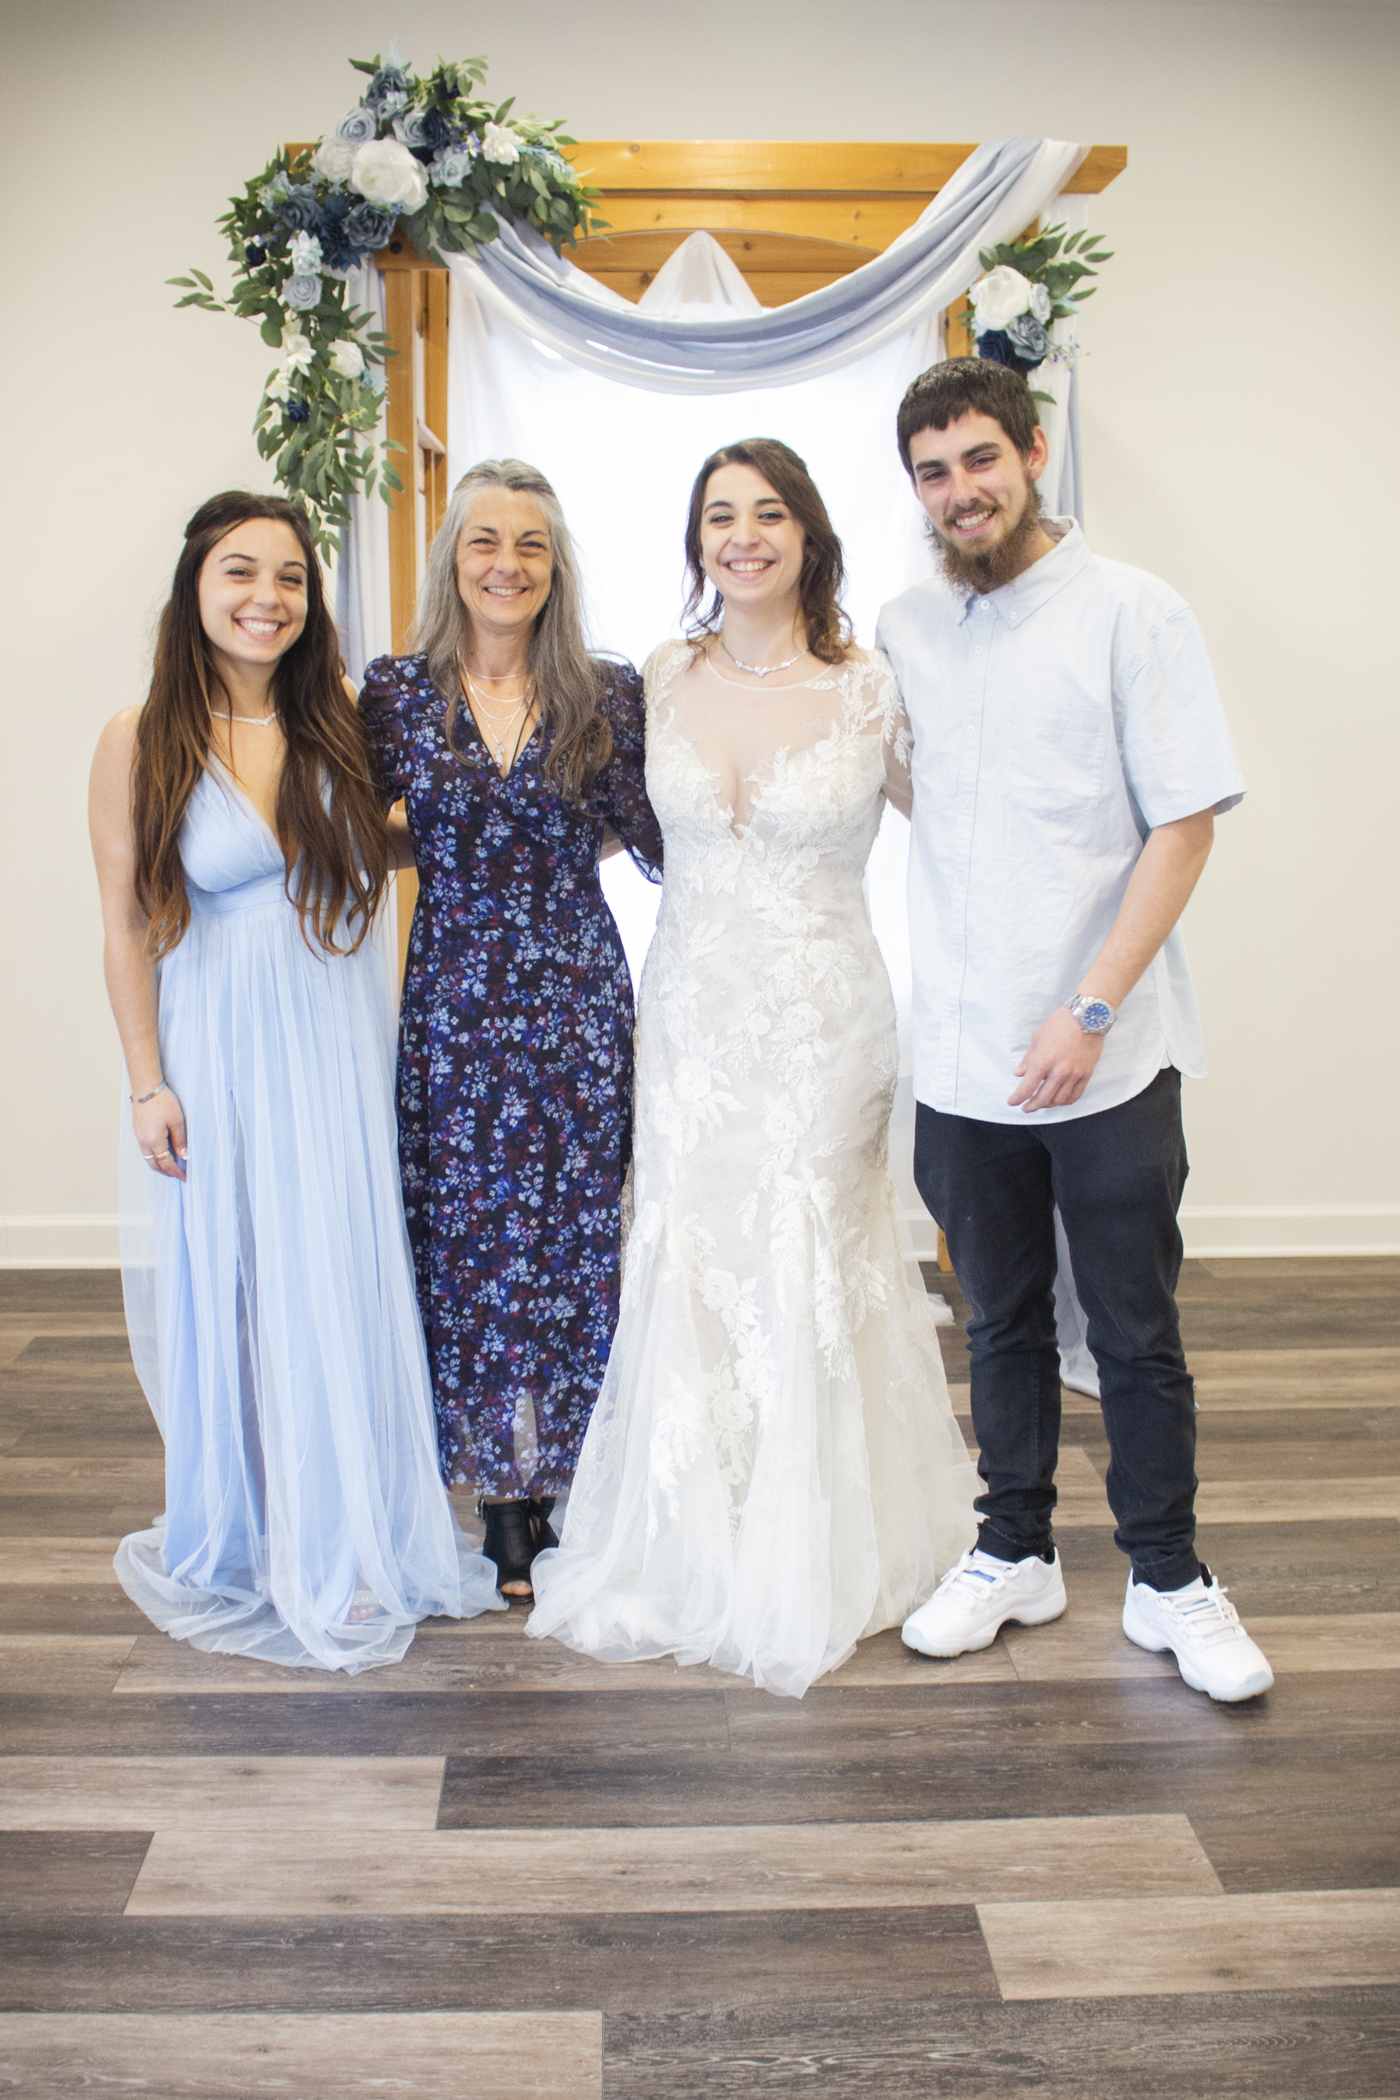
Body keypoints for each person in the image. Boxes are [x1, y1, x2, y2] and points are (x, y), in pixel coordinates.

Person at [527, 438, 978, 1697]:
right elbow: (581, 816)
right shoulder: (659, 677)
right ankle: (696, 1530)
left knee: (803, 1248)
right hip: (688, 1021)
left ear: (808, 535)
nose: (742, 536)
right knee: (696, 1252)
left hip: (825, 1024)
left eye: (767, 513)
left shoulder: (871, 684)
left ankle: (815, 1543)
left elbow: (962, 826)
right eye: (719, 516)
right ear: (696, 542)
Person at [879, 358, 1272, 1702]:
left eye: (979, 459)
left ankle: (1169, 1579)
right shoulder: (907, 628)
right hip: (962, 1057)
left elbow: (1185, 823)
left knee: (1131, 1329)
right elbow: (928, 797)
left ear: (1031, 452)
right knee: (995, 1318)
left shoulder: (1132, 611)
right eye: (933, 472)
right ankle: (1014, 1553)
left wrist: (1089, 1007)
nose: (960, 491)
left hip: (1107, 1050)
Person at [89, 491, 502, 1673]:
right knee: (238, 1284)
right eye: (240, 571)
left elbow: (399, 843)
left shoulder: (342, 721)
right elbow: (123, 925)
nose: (266, 597)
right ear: (196, 587)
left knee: (336, 1273)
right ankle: (246, 1531)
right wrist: (145, 1083)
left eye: (288, 577)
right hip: (215, 1039)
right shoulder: (139, 738)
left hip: (332, 1036)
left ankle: (346, 1536)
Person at [358, 460, 663, 1601]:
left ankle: (573, 1471)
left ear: (555, 566)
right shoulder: (396, 692)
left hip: (576, 1001)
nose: (507, 563)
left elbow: (655, 831)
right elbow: (360, 831)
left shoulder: (608, 691)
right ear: (453, 562)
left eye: (530, 544)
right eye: (485, 541)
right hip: (453, 1006)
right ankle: (500, 1494)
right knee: (470, 1244)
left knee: (575, 1236)